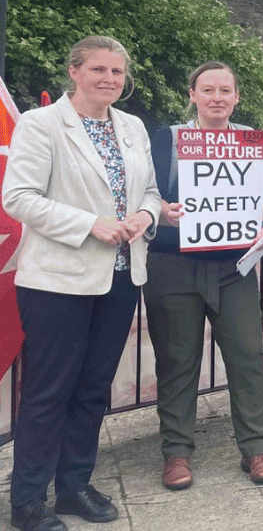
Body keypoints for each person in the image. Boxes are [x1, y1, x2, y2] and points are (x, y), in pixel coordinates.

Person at [5, 36, 161, 530]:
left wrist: (143, 214)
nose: (109, 79)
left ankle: (74, 486)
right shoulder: (41, 124)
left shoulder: (133, 126)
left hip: (120, 276)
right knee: (49, 392)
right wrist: (89, 223)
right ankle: (28, 500)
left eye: (117, 72)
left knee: (93, 389)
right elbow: (20, 197)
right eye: (98, 69)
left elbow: (153, 192)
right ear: (74, 71)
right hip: (58, 280)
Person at [146, 62, 263, 491]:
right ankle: (177, 454)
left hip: (232, 268)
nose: (217, 97)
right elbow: (146, 195)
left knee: (246, 358)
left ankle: (256, 449)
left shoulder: (252, 142)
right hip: (174, 265)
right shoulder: (167, 139)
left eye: (226, 90)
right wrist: (163, 212)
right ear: (192, 94)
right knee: (177, 361)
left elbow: (262, 203)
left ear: (237, 97)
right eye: (209, 89)